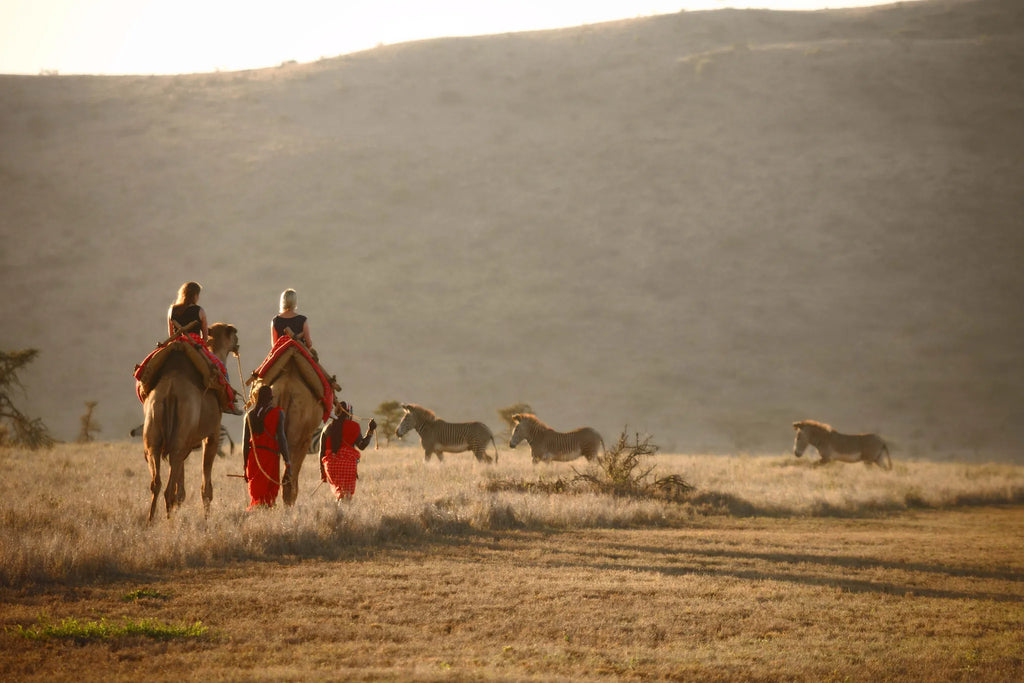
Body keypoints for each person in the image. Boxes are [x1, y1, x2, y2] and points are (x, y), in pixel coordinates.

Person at [242, 386, 292, 509]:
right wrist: (287, 461)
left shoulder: (249, 415)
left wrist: (245, 466)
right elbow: (282, 439)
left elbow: (244, 444)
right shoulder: (278, 413)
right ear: (270, 398)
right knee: (269, 493)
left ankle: (258, 517)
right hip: (270, 457)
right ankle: (266, 515)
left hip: (253, 459)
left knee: (257, 493)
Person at [319, 401, 376, 500]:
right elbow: (362, 446)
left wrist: (323, 473)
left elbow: (321, 453)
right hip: (347, 465)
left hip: (330, 467)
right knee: (346, 496)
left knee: (339, 494)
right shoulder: (354, 426)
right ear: (349, 413)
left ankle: (339, 511)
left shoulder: (326, 428)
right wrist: (370, 430)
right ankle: (343, 514)